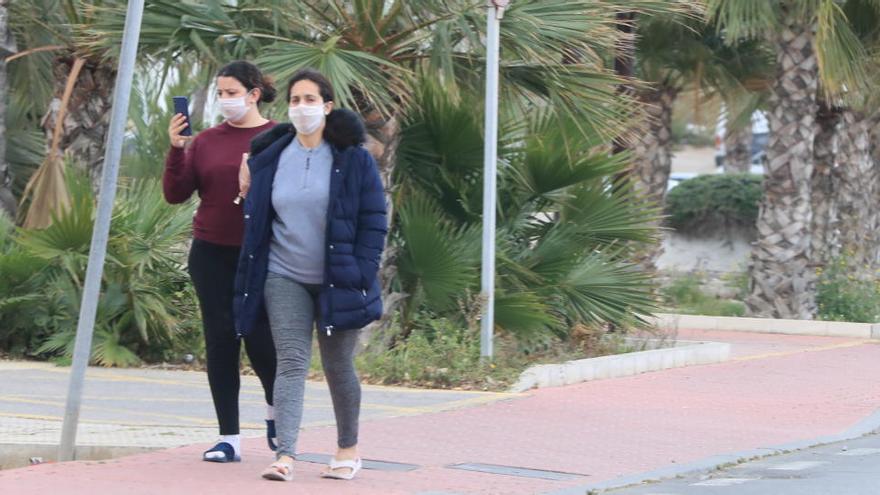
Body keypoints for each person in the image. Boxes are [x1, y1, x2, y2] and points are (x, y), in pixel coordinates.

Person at [234, 68, 387, 482]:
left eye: (310, 100)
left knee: (338, 366)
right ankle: (284, 455)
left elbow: (375, 219)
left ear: (327, 106)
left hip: (339, 278)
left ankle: (348, 449)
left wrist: (362, 269)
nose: (302, 108)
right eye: (295, 100)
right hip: (284, 275)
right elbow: (259, 217)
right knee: (291, 362)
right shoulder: (270, 157)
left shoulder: (351, 158)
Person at [163, 60, 279, 463]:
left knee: (261, 338)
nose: (225, 100)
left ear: (253, 94)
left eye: (232, 92)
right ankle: (228, 437)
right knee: (220, 339)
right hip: (210, 251)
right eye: (220, 93)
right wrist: (177, 151)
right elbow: (176, 193)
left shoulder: (277, 137)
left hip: (261, 252)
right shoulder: (207, 140)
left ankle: (275, 413)